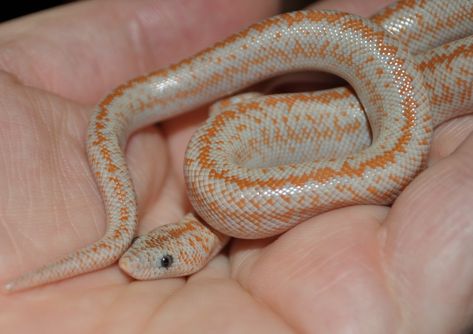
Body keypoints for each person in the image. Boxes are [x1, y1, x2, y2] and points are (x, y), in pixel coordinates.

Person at [1, 0, 472, 332]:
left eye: (164, 260)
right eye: (161, 256)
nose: (147, 263)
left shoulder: (220, 182)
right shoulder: (219, 183)